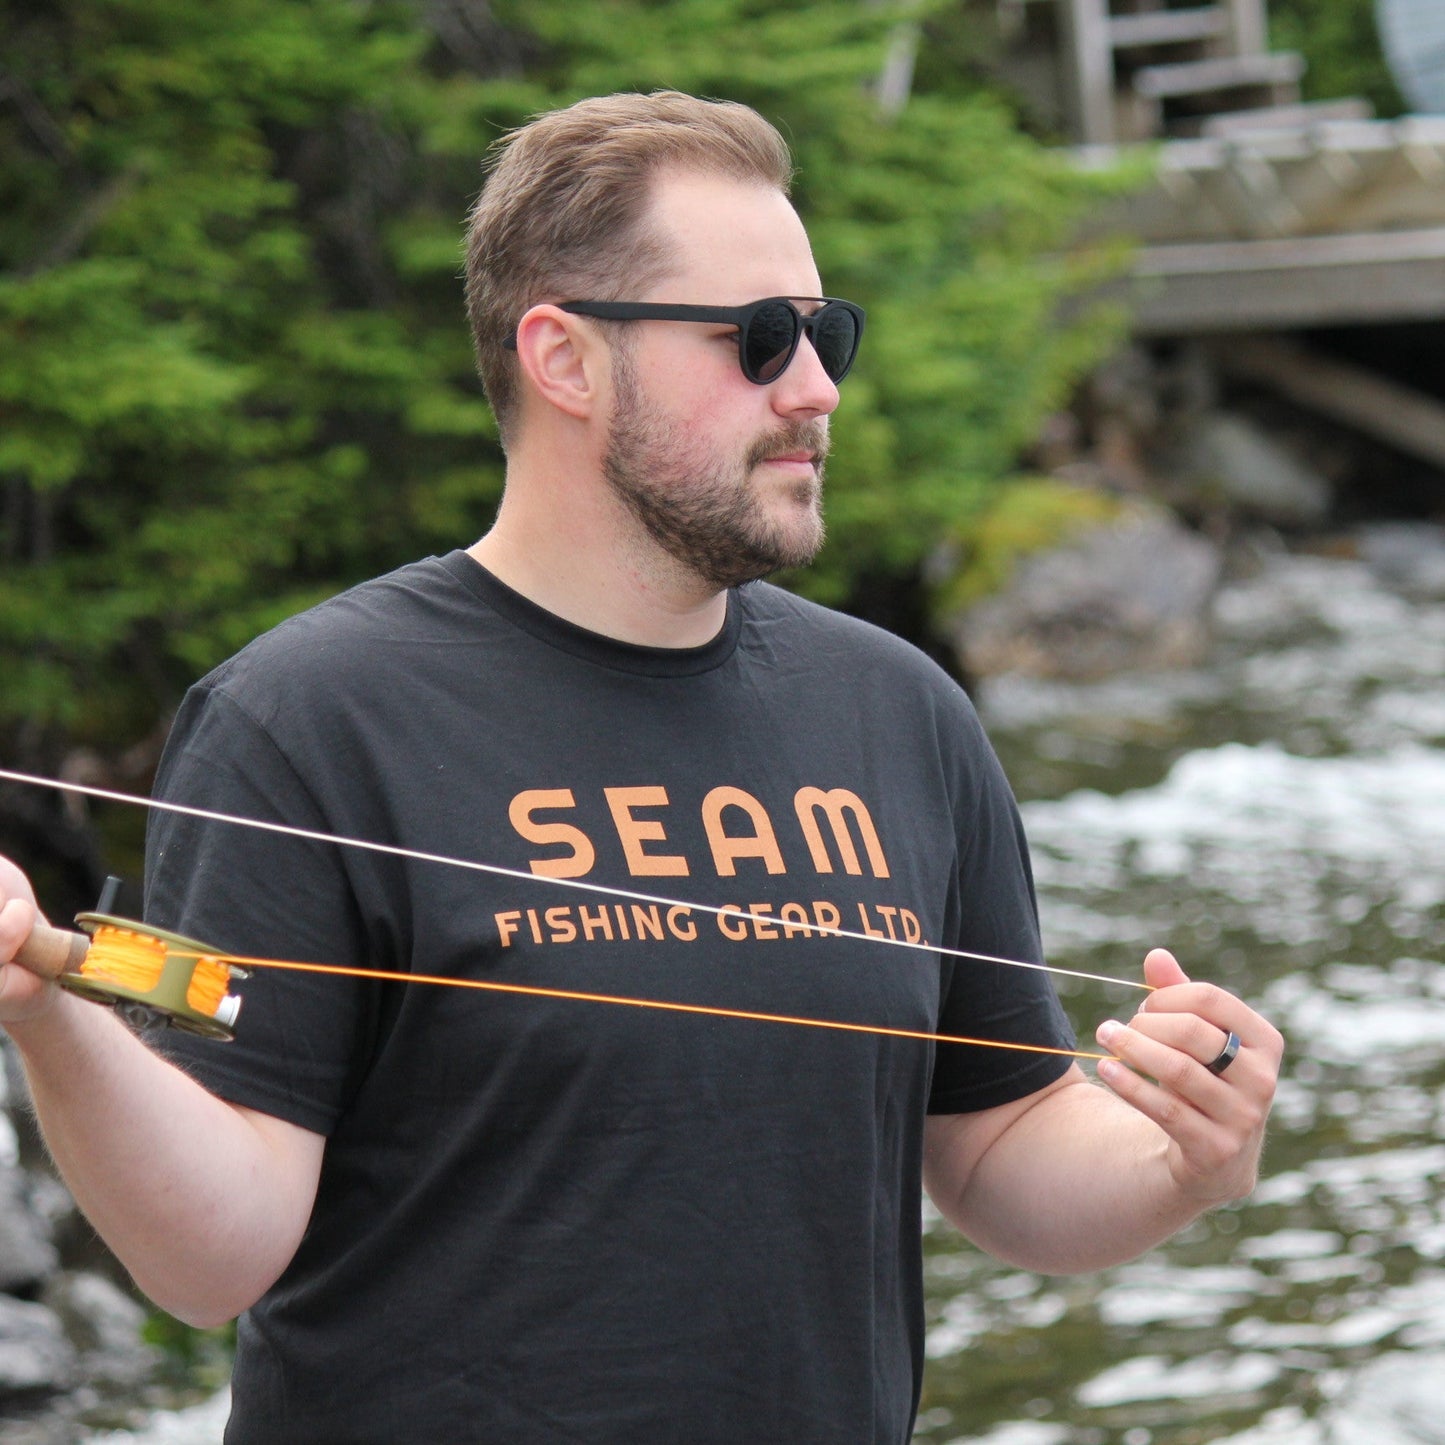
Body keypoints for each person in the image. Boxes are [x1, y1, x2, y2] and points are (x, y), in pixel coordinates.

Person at [0, 91, 1282, 1443]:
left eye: (824, 331)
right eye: (759, 338)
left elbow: (1002, 1145)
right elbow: (213, 1256)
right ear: (562, 356)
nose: (815, 386)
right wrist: (44, 1005)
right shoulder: (304, 719)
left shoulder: (898, 709)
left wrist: (1177, 1154)